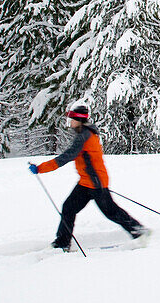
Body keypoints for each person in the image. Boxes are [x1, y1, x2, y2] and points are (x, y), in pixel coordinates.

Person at [29, 105, 149, 250]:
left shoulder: (85, 136)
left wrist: (41, 168)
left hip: (96, 182)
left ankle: (139, 230)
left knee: (111, 212)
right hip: (86, 182)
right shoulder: (85, 133)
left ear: (79, 120)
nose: (70, 122)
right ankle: (62, 243)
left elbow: (68, 156)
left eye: (72, 119)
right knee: (68, 208)